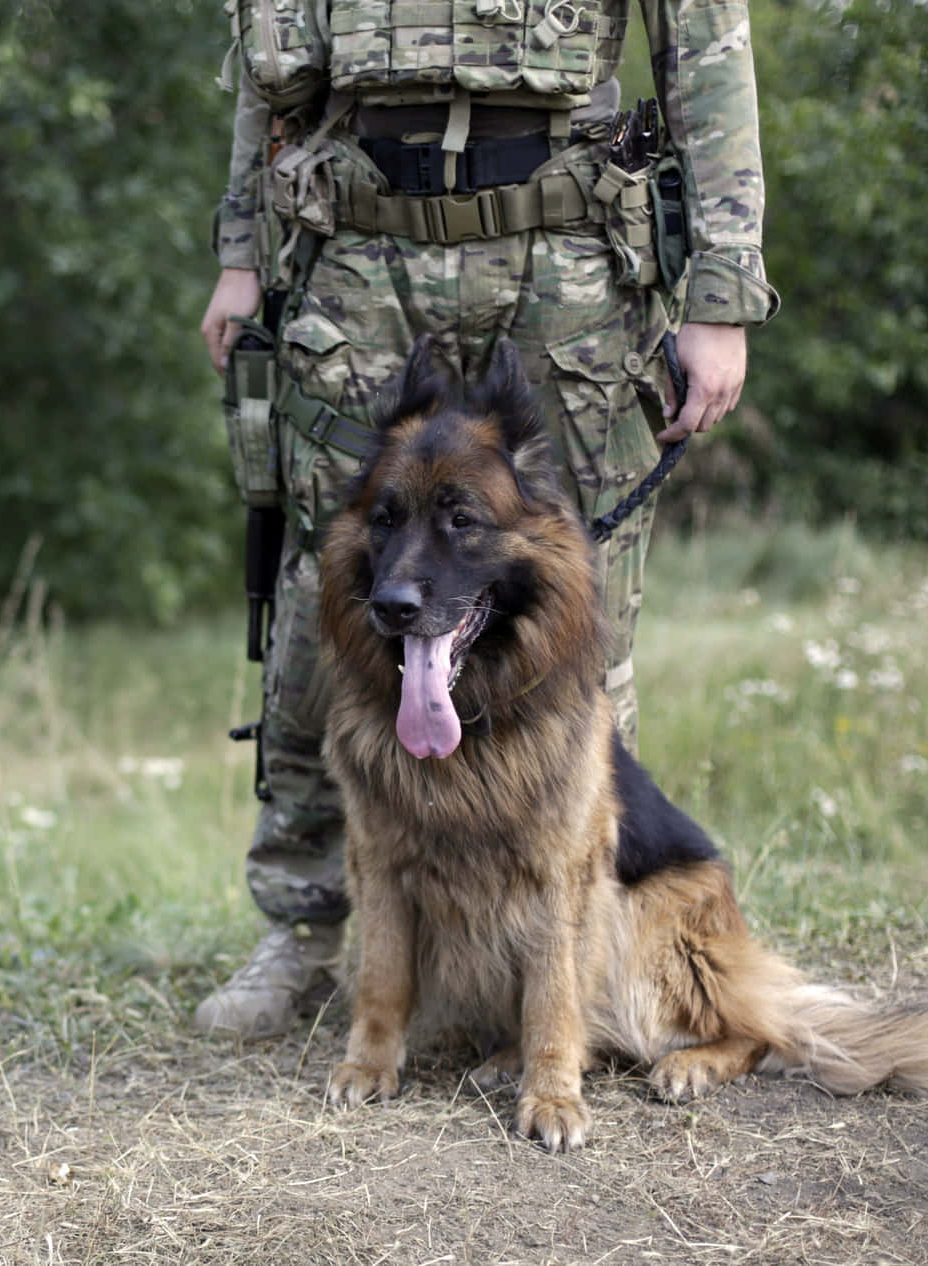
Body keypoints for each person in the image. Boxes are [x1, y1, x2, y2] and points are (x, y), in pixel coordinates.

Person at [196, 3, 778, 1039]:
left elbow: (709, 50)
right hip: (359, 246)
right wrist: (243, 251)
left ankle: (569, 941)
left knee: (577, 612)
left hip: (568, 251)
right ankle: (302, 928)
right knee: (322, 601)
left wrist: (722, 291)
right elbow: (264, 56)